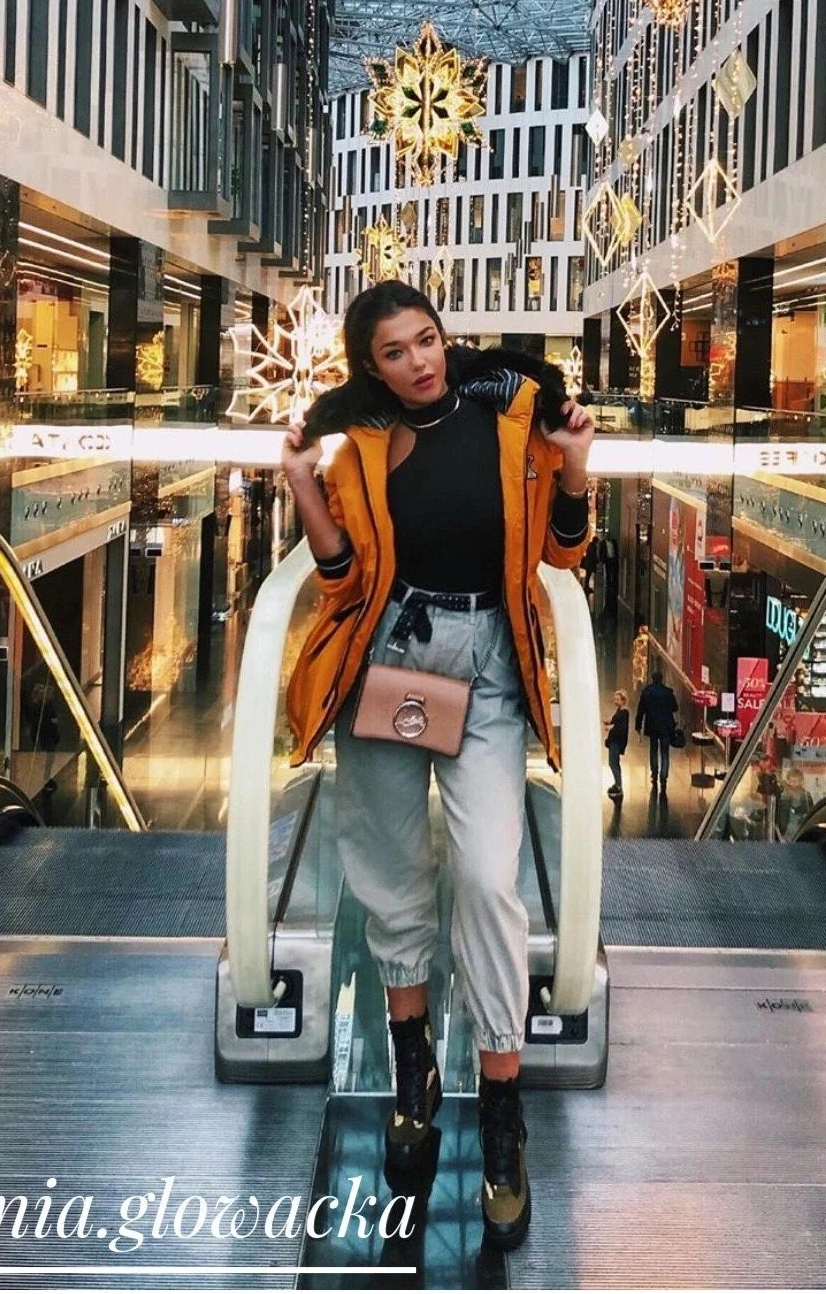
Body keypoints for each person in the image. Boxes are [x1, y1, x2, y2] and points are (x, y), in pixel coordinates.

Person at [281, 280, 594, 1251]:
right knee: (390, 871)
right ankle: (413, 1069)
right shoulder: (362, 443)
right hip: (393, 659)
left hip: (489, 664)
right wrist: (301, 483)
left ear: (445, 338)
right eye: (395, 351)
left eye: (427, 339)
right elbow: (342, 574)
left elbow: (563, 550)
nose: (419, 360)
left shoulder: (509, 416)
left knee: (490, 879)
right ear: (369, 368)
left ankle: (501, 1110)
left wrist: (576, 467)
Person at [635, 669, 678, 795]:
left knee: (653, 750)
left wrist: (638, 725)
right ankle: (663, 777)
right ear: (661, 679)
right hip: (666, 726)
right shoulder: (668, 692)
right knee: (665, 752)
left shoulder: (646, 692)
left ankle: (654, 773)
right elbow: (675, 707)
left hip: (652, 726)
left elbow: (640, 710)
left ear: (652, 679)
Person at [604, 690, 629, 802]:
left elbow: (621, 727)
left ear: (623, 701)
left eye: (617, 699)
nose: (615, 701)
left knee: (613, 763)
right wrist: (610, 722)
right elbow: (617, 723)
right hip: (615, 741)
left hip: (616, 741)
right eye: (615, 699)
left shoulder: (624, 713)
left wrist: (611, 727)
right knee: (614, 763)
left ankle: (618, 785)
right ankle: (617, 783)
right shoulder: (620, 711)